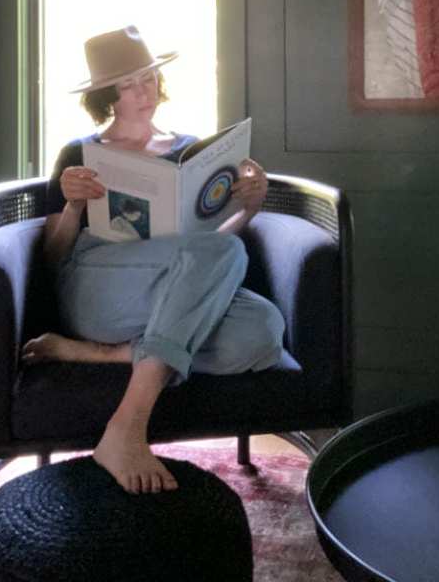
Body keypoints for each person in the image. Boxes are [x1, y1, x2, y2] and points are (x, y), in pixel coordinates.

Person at [21, 25, 284, 495]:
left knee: (263, 330)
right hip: (97, 285)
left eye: (149, 77)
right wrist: (75, 205)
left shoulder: (190, 149)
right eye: (128, 84)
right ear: (107, 96)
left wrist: (249, 207)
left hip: (175, 285)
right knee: (223, 253)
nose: (145, 91)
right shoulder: (80, 153)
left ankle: (99, 355)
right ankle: (126, 428)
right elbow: (52, 255)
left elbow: (212, 247)